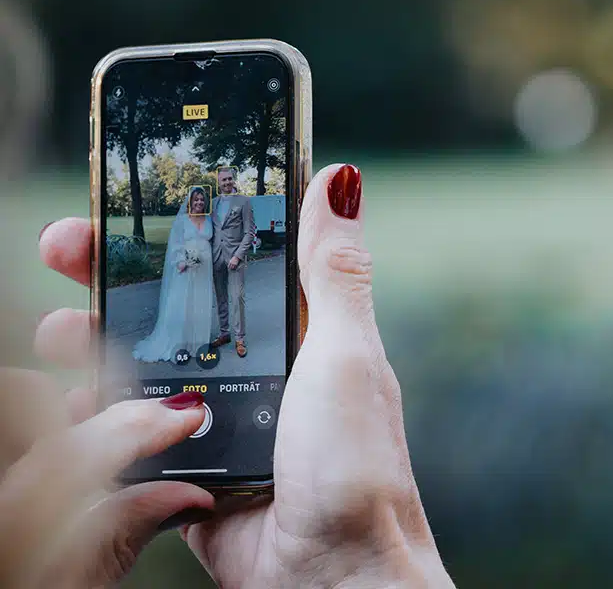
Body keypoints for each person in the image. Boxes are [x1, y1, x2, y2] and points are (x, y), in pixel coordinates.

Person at [7, 164, 455, 587]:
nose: (218, 189)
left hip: (233, 263)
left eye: (222, 182)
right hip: (206, 266)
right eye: (214, 184)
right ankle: (222, 337)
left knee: (234, 306)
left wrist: (353, 567)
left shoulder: (239, 204)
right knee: (213, 310)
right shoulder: (208, 212)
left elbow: (249, 233)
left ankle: (237, 339)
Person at [132, 187, 216, 363]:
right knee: (182, 304)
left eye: (202, 199)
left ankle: (197, 343)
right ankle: (178, 345)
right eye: (196, 199)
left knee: (200, 303)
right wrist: (182, 262)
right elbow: (175, 244)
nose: (199, 202)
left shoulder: (208, 219)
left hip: (204, 270)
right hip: (186, 268)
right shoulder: (182, 221)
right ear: (190, 202)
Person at [211, 167, 255, 358]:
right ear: (218, 183)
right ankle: (224, 333)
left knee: (236, 298)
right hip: (216, 256)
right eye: (223, 180)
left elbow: (250, 231)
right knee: (220, 297)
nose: (227, 182)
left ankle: (239, 339)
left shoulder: (243, 201)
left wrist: (238, 255)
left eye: (230, 179)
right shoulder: (212, 203)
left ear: (233, 180)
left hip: (235, 256)